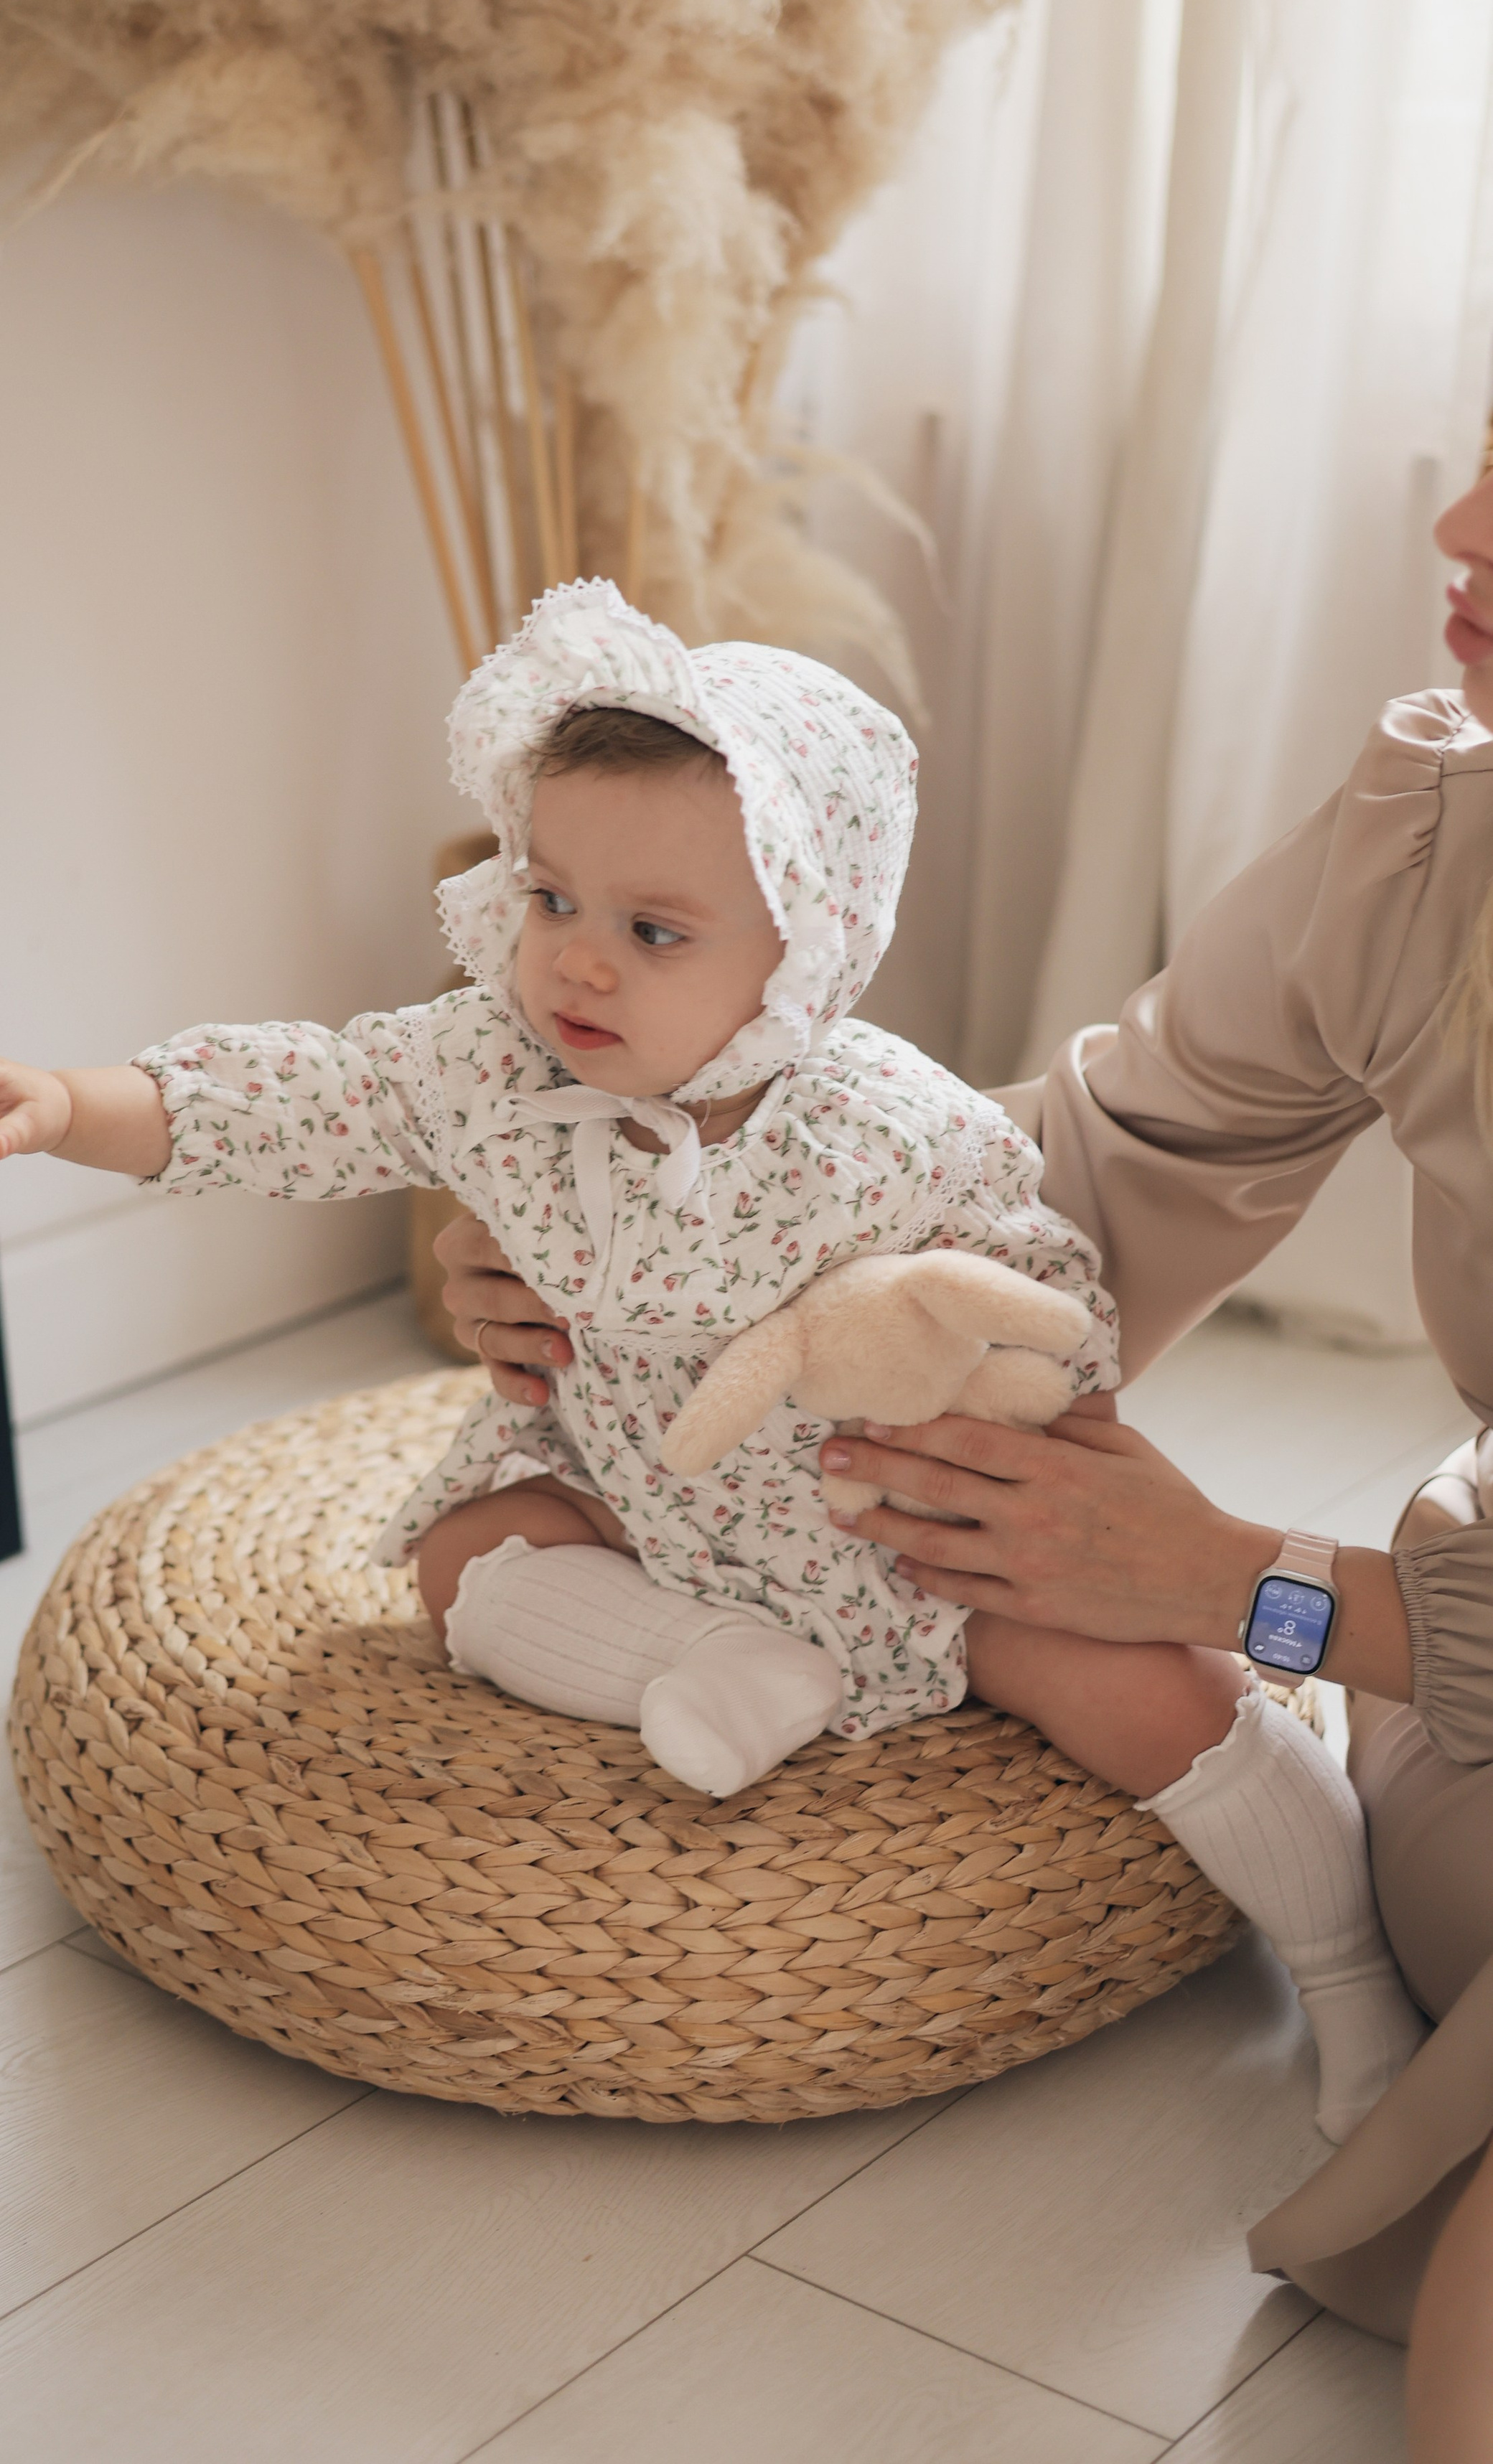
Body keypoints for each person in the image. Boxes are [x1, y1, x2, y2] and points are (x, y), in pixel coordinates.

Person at [0, 578, 1414, 2143]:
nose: (577, 969)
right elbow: (295, 1096)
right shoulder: (490, 1064)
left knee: (1164, 1698)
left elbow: (1042, 1316)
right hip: (619, 1481)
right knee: (465, 1554)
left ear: (801, 949)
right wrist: (64, 1105)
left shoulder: (895, 1129)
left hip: (883, 1522)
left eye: (652, 931)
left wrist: (937, 1346)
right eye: (550, 901)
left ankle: (1346, 1973)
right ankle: (711, 1667)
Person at [438, 471, 1493, 2455]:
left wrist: (1247, 1589)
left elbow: (1240, 1609)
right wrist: (647, 1217)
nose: (1462, 518)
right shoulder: (1444, 837)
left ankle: (1351, 1986)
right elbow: (1111, 1161)